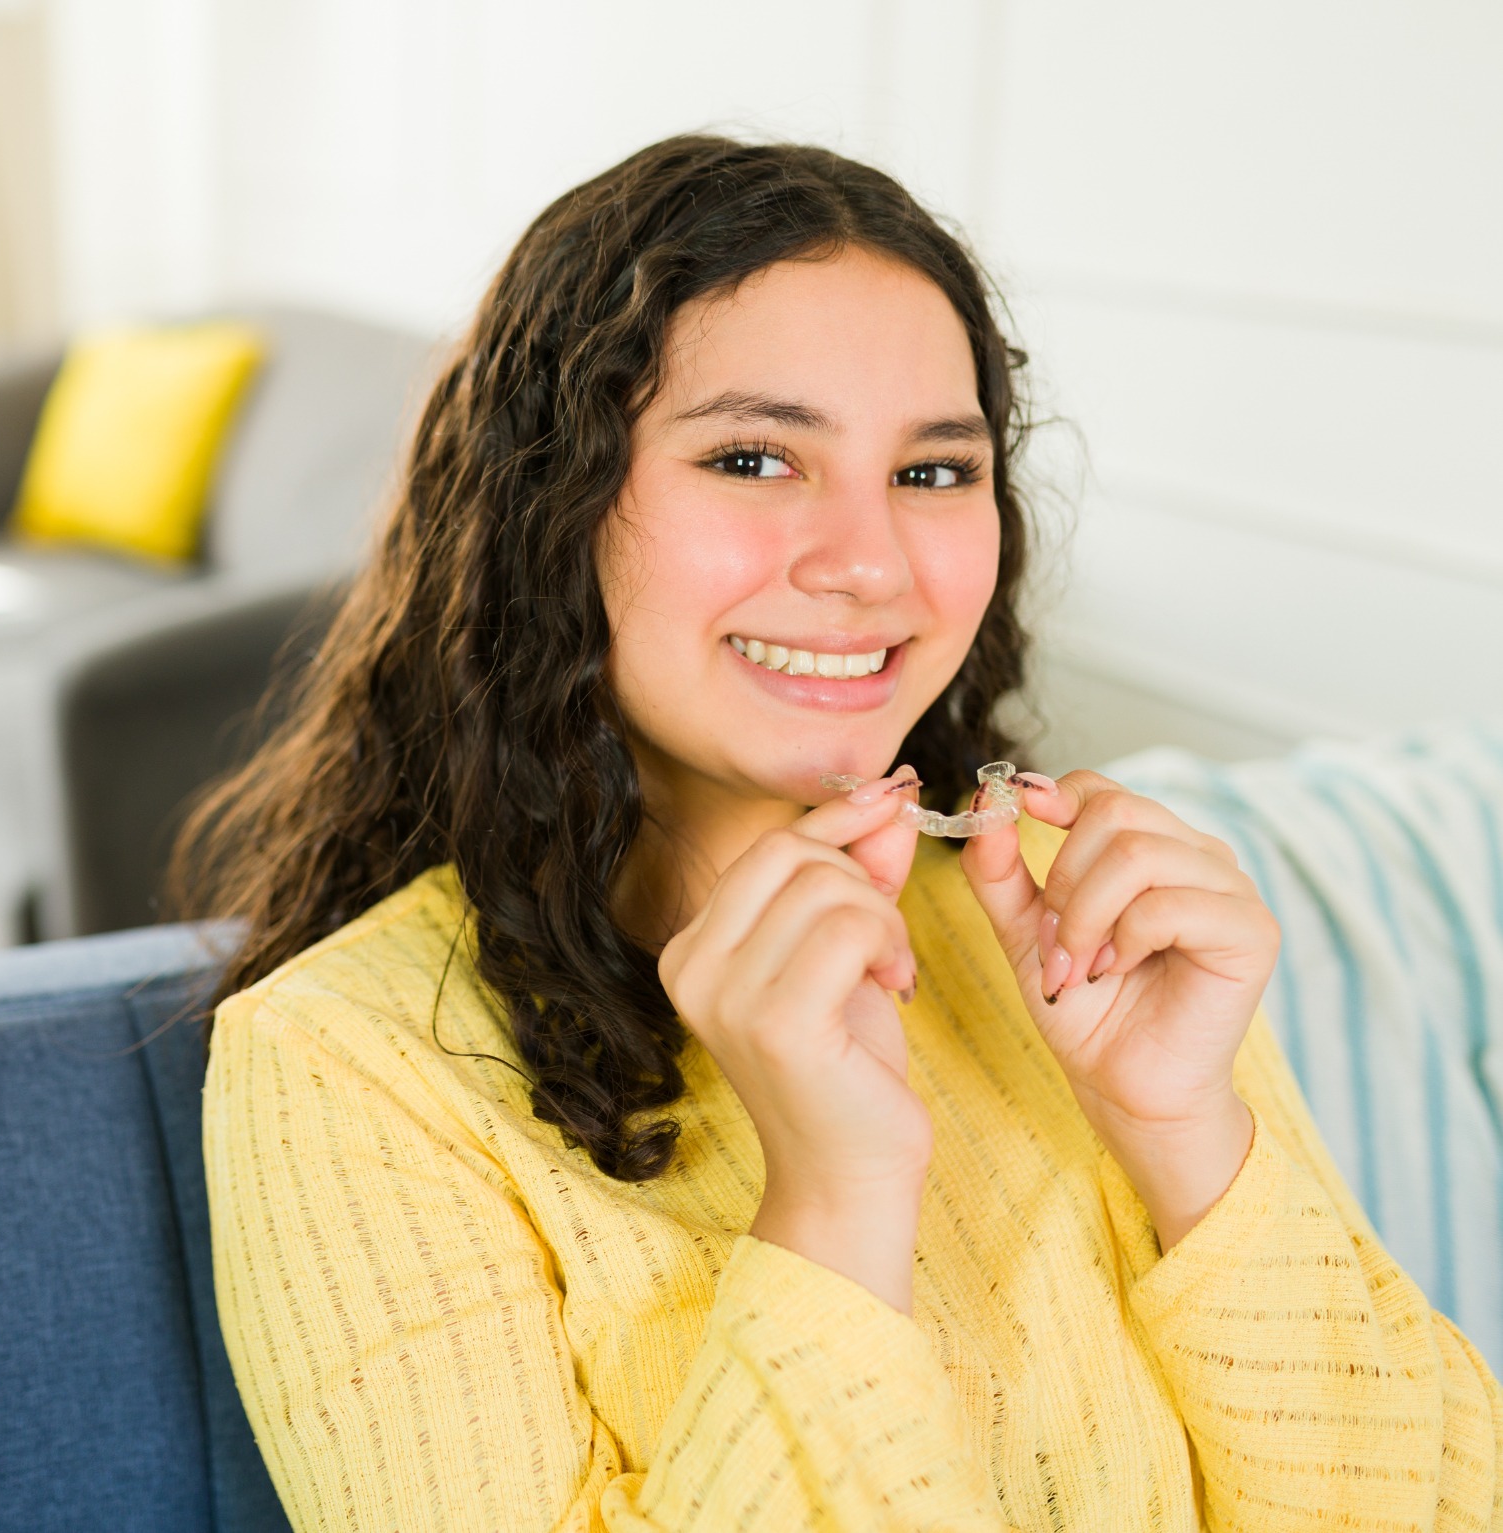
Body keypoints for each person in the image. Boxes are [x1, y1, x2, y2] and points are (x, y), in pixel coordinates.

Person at [173, 137, 1500, 1530]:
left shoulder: (1073, 919)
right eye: (755, 457)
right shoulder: (345, 1064)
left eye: (934, 472)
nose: (870, 562)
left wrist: (1192, 1135)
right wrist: (832, 1199)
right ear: (542, 511)